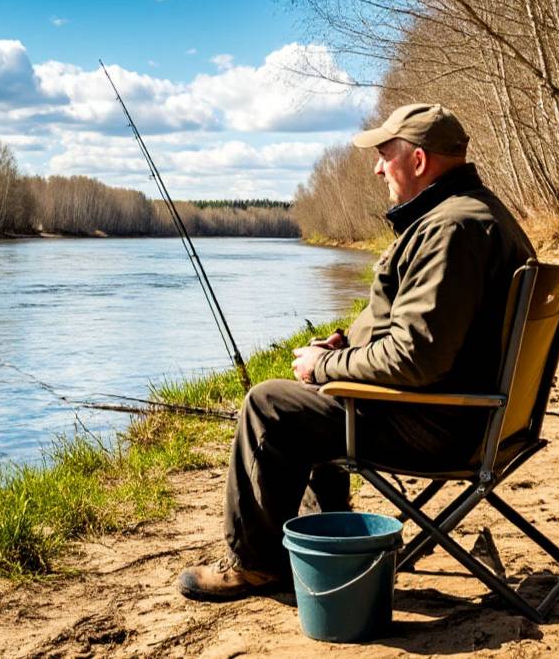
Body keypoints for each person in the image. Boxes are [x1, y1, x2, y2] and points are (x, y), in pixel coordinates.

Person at [176, 103, 535, 601]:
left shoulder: (451, 230)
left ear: (418, 160)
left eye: (385, 155)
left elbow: (416, 358)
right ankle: (332, 535)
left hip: (444, 427)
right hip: (477, 416)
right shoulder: (478, 212)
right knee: (310, 397)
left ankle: (256, 565)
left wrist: (324, 366)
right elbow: (431, 330)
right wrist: (348, 345)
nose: (376, 167)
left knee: (269, 406)